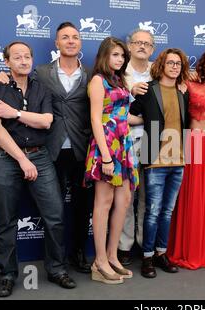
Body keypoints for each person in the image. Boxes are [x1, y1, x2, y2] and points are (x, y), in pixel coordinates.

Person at [0, 22, 93, 273]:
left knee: (80, 207)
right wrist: (1, 77)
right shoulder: (40, 72)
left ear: (80, 43)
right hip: (51, 148)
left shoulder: (92, 74)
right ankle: (26, 270)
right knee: (47, 211)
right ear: (56, 44)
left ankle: (75, 257)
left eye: (75, 37)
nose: (71, 41)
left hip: (82, 147)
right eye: (65, 37)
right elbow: (17, 80)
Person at [0, 41, 76, 298]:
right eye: (17, 57)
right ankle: (8, 275)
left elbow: (46, 122)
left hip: (40, 156)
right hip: (4, 158)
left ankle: (56, 269)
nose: (23, 61)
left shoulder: (41, 88)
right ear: (7, 62)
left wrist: (13, 112)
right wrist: (22, 160)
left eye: (27, 57)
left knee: (55, 215)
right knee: (6, 219)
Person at [128, 48, 189, 278]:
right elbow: (129, 114)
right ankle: (147, 257)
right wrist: (146, 118)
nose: (174, 67)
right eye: (170, 63)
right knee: (152, 211)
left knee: (167, 211)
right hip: (155, 160)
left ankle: (161, 254)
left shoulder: (184, 92)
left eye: (178, 64)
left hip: (179, 160)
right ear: (161, 65)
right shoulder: (148, 90)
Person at [167, 47, 205, 269]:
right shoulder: (189, 83)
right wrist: (188, 74)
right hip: (193, 141)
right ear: (204, 64)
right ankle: (187, 248)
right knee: (191, 195)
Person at [84, 37, 139, 284]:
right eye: (115, 55)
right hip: (106, 146)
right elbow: (96, 119)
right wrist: (106, 156)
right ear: (104, 56)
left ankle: (112, 256)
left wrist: (150, 116)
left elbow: (124, 115)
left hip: (124, 145)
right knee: (103, 203)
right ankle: (99, 261)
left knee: (124, 200)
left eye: (121, 56)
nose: (118, 59)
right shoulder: (98, 80)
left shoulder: (120, 80)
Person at [118, 29, 155, 266]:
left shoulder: (160, 71)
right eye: (138, 42)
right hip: (123, 140)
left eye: (147, 43)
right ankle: (124, 245)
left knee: (148, 196)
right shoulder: (118, 72)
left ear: (152, 49)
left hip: (154, 141)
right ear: (129, 46)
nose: (142, 46)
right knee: (126, 196)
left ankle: (144, 244)